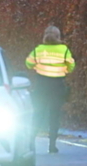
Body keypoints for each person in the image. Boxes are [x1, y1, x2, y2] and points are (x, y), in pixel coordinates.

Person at [25, 25, 75, 153]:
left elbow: (28, 64)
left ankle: (31, 143)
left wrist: (39, 65)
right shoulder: (64, 50)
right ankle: (52, 145)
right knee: (55, 116)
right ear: (58, 37)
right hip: (57, 86)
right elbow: (71, 66)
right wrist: (63, 69)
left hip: (41, 86)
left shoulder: (38, 50)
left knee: (38, 114)